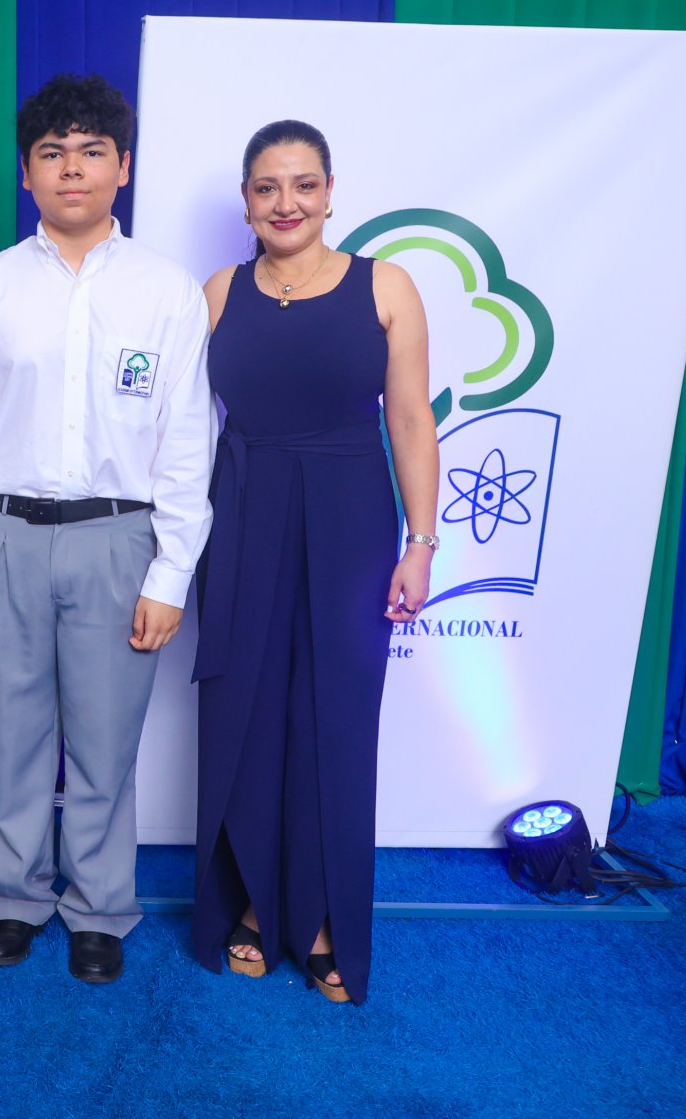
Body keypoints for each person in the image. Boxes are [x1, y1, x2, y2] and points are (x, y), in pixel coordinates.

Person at [0, 74, 216, 984]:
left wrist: (170, 574)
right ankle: (15, 898)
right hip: (3, 535)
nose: (72, 169)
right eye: (52, 153)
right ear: (27, 172)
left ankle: (97, 908)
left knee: (104, 739)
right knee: (15, 735)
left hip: (119, 541)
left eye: (92, 151)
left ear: (122, 167)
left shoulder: (167, 292)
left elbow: (185, 442)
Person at [190, 119, 439, 1004]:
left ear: (330, 193)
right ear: (247, 201)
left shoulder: (387, 285)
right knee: (245, 711)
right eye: (267, 187)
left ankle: (326, 917)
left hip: (350, 518)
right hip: (242, 512)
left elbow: (410, 419)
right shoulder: (220, 291)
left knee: (335, 719)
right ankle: (257, 902)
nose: (285, 203)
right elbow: (181, 426)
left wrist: (421, 542)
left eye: (303, 185)